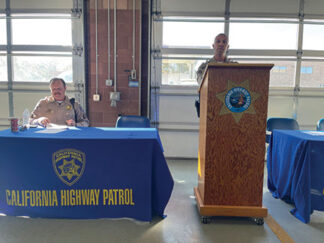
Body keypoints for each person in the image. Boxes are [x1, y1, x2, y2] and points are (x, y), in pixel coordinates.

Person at [195, 33, 234, 117]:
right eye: (218, 41)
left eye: (224, 42)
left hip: (230, 108)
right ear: (213, 45)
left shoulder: (235, 66)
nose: (221, 44)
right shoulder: (204, 67)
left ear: (227, 47)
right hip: (210, 108)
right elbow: (201, 83)